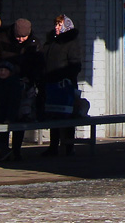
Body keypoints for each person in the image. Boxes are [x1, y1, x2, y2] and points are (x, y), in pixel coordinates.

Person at [0, 19, 39, 159]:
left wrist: (30, 78)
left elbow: (38, 64)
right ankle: (3, 148)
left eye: (24, 37)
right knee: (5, 117)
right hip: (6, 84)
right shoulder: (4, 39)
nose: (21, 40)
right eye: (18, 37)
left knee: (20, 117)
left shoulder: (34, 44)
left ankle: (16, 150)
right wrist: (5, 69)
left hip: (24, 85)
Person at [39, 14, 81, 157]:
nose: (56, 27)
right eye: (56, 24)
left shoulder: (70, 43)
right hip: (51, 85)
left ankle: (68, 146)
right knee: (53, 116)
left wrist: (65, 77)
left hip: (65, 86)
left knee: (67, 117)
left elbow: (75, 65)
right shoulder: (51, 43)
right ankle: (53, 146)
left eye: (59, 24)